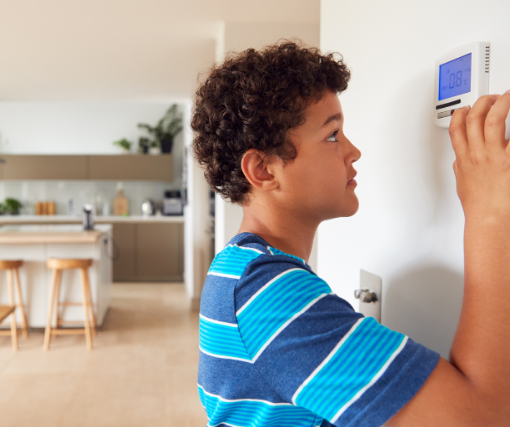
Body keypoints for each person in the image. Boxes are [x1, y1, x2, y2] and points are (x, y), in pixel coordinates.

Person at [191, 40, 510, 427]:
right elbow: (482, 417)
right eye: (332, 135)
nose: (353, 151)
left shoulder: (239, 270)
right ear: (263, 170)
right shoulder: (266, 294)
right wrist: (490, 213)